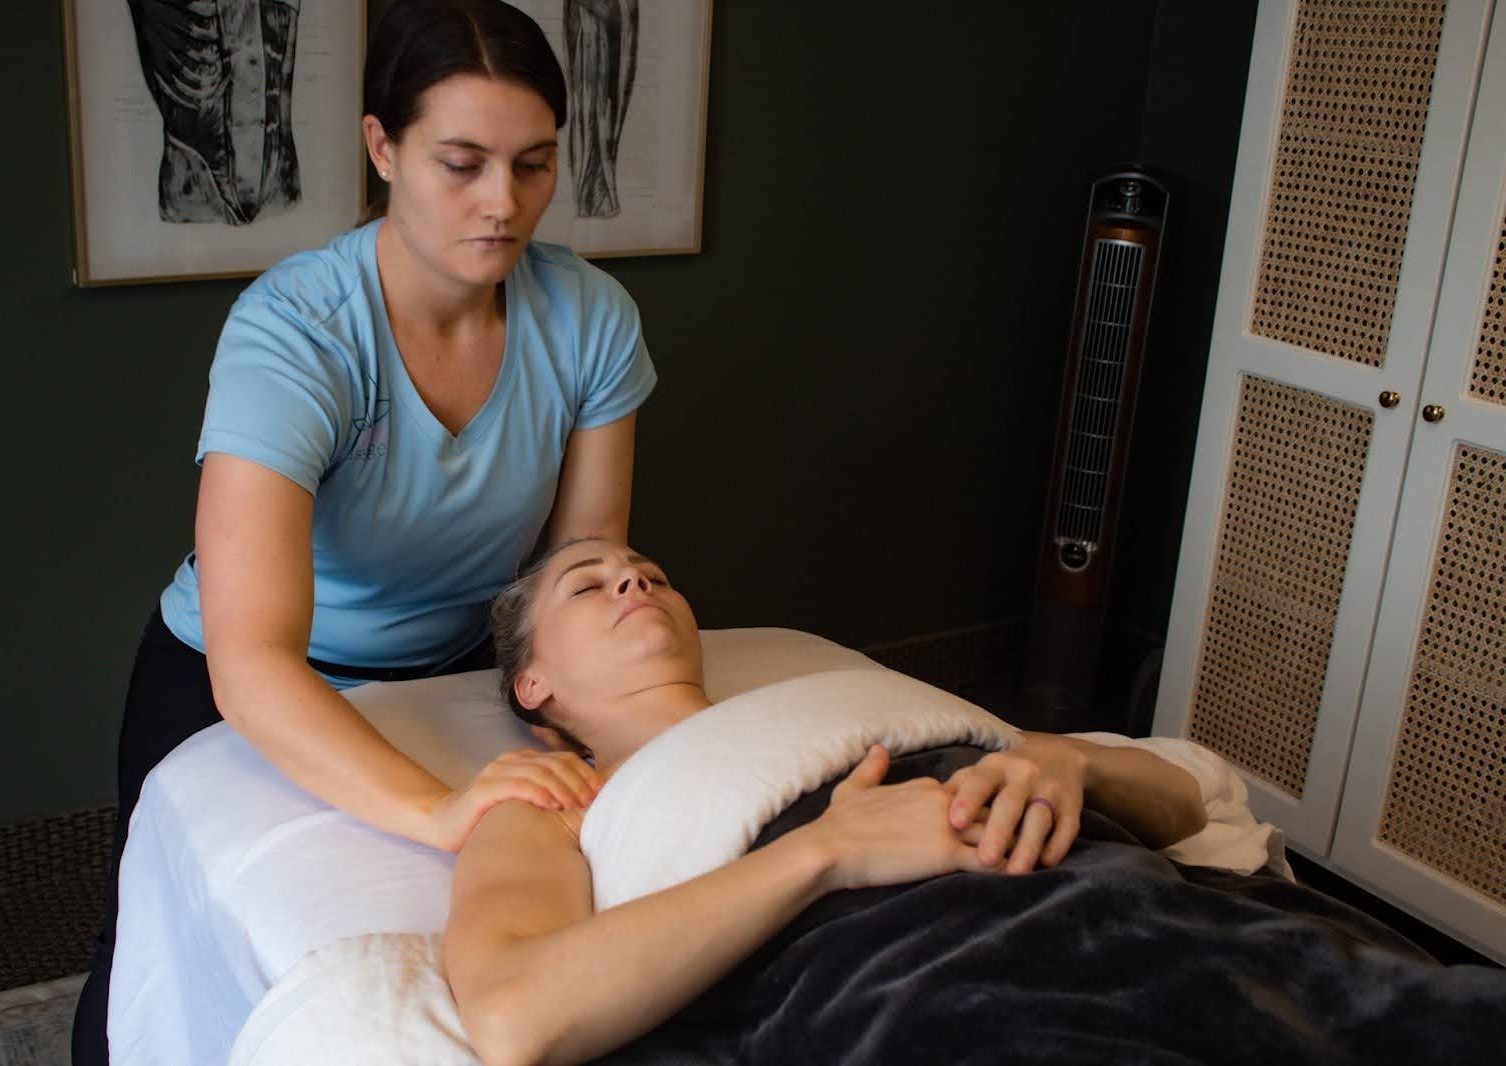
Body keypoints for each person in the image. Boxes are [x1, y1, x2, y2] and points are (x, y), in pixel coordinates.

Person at [73, 3, 648, 1061]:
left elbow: (578, 567)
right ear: (382, 146)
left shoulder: (591, 317)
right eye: (461, 163)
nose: (503, 202)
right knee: (153, 935)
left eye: (532, 164)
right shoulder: (295, 331)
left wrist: (630, 746)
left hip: (462, 662)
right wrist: (435, 810)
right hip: (235, 671)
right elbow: (253, 659)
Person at [445, 538, 1211, 1065]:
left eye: (654, 574)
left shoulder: (833, 701)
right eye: (588, 583)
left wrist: (1067, 758)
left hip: (1165, 926)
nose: (637, 581)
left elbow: (1185, 809)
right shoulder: (560, 803)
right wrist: (828, 850)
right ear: (532, 685)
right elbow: (516, 1016)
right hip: (941, 987)